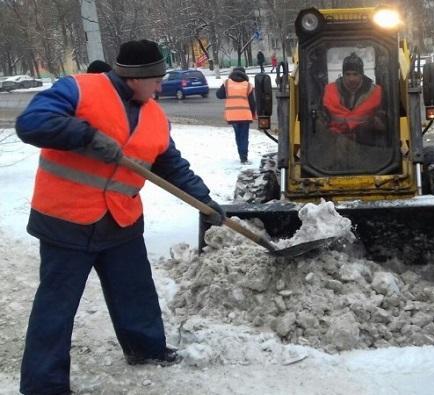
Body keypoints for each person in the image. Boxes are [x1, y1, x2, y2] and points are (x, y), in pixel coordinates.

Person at [15, 39, 226, 395]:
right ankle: (43, 383)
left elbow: (171, 165)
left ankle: (145, 349)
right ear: (135, 77)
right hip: (67, 219)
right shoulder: (78, 89)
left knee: (135, 292)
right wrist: (85, 135)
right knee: (57, 305)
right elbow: (31, 123)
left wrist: (205, 201)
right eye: (156, 79)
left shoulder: (154, 116)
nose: (161, 87)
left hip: (121, 220)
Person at [322, 52, 385, 136]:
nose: (351, 79)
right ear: (343, 75)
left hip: (367, 141)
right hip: (335, 140)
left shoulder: (376, 92)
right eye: (348, 74)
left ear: (361, 75)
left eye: (355, 74)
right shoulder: (330, 90)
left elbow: (383, 117)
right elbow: (322, 116)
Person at [216, 67, 256, 164]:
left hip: (232, 115)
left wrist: (229, 93)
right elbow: (252, 103)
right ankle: (244, 158)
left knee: (238, 136)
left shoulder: (227, 83)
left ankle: (241, 156)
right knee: (244, 136)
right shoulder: (248, 85)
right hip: (244, 115)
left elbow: (219, 95)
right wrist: (253, 114)